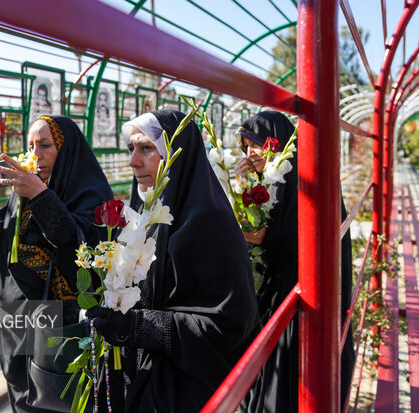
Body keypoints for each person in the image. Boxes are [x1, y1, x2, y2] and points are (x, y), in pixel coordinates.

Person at [87, 109, 260, 412]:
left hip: (181, 387)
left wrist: (139, 327)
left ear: (176, 155)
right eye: (131, 149)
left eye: (146, 148)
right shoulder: (146, 214)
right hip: (141, 376)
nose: (133, 161)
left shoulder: (208, 222)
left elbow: (231, 323)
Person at [0, 115, 113, 413]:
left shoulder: (87, 194)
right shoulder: (21, 195)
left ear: (67, 149)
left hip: (61, 334)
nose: (35, 155)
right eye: (31, 145)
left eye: (46, 145)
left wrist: (41, 195)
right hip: (17, 331)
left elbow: (82, 250)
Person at [234, 111, 355, 412]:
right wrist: (242, 184)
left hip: (302, 295)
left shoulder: (305, 177)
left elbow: (261, 233)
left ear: (277, 146)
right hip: (281, 288)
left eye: (256, 145)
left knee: (294, 376)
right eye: (245, 146)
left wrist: (259, 228)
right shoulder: (269, 179)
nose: (250, 153)